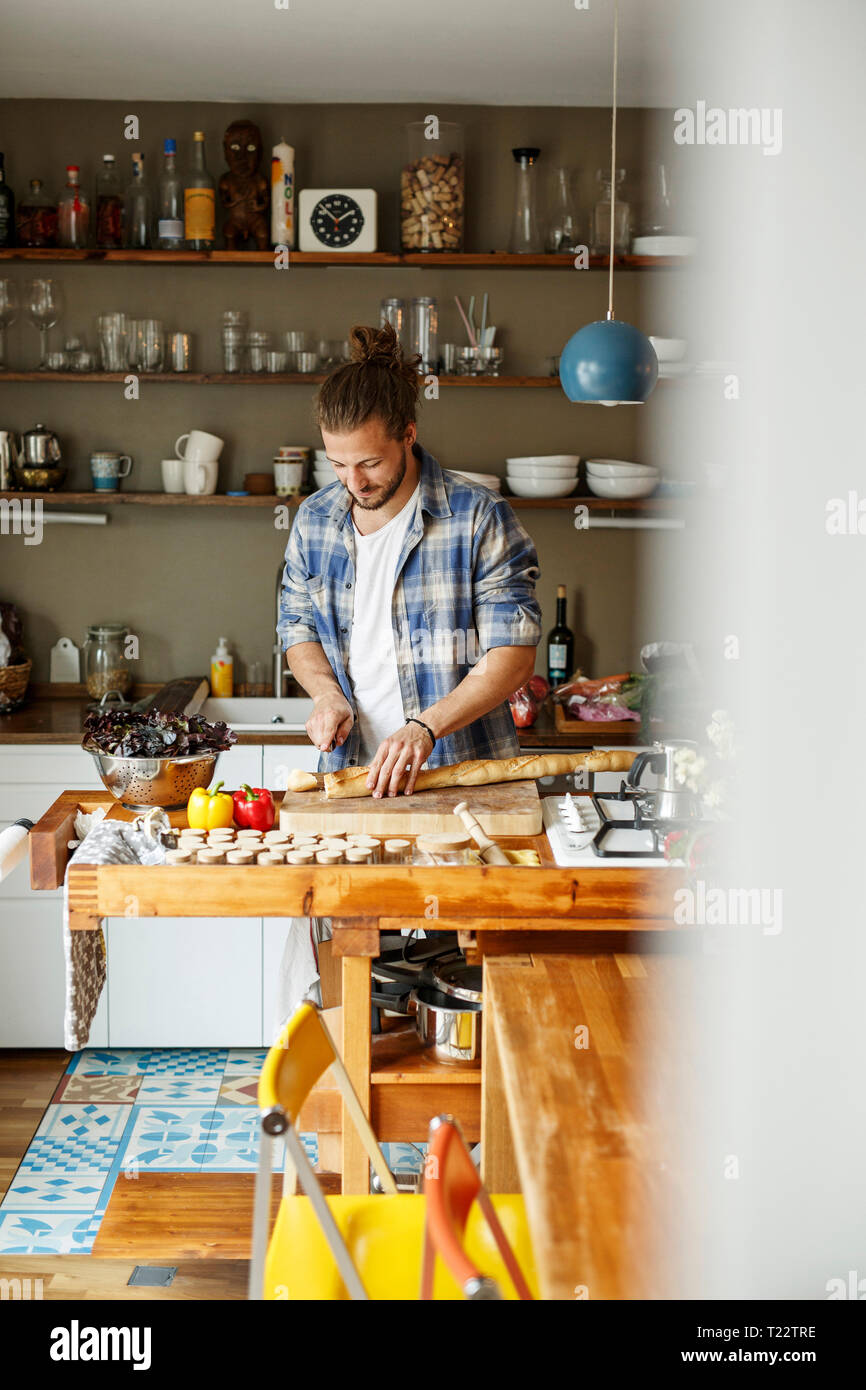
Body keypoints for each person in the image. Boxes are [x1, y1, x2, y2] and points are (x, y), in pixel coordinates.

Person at [277, 322, 542, 799]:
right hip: (349, 774)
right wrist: (325, 694)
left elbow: (514, 656)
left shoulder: (479, 517)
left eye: (370, 463)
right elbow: (297, 628)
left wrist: (424, 727)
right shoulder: (314, 520)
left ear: (408, 435)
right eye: (338, 464)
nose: (353, 481)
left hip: (460, 774)